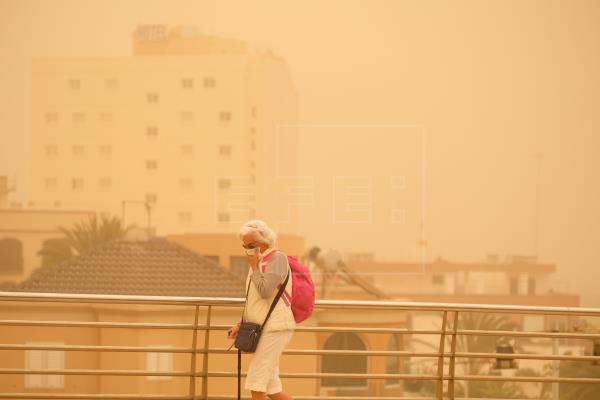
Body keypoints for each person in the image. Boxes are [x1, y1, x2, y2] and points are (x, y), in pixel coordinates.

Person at [228, 220, 295, 400]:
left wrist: (254, 266)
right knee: (272, 389)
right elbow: (254, 301)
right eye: (244, 246)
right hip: (266, 328)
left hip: (275, 328)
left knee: (256, 385)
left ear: (266, 241)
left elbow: (265, 292)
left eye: (251, 245)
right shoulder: (259, 262)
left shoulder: (277, 258)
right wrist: (241, 324)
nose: (248, 249)